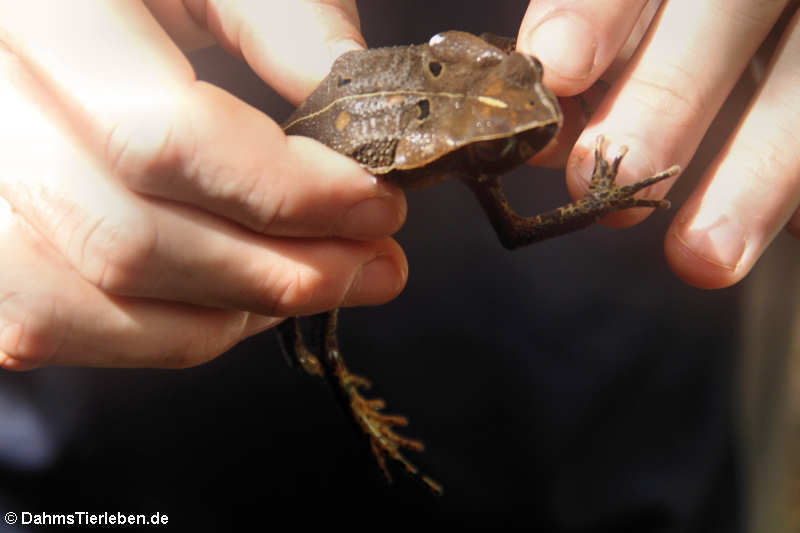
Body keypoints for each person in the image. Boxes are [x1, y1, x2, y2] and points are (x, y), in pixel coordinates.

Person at [0, 0, 796, 529]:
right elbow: (512, 228)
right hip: (110, 462)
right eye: (499, 147)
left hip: (616, 452)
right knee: (305, 284)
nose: (528, 136)